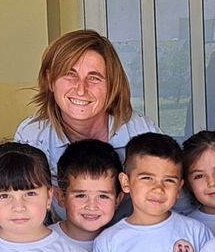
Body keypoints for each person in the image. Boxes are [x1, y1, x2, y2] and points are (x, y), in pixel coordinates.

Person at [12, 29, 158, 185]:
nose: (81, 89)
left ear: (112, 85)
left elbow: (173, 198)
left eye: (94, 77)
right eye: (70, 74)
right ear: (50, 80)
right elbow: (19, 202)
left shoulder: (140, 131)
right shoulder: (32, 137)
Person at [53, 138, 122, 252]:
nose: (92, 206)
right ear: (61, 197)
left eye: (103, 196)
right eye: (80, 195)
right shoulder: (45, 243)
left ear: (118, 200)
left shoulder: (122, 243)